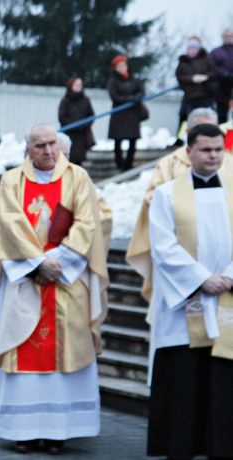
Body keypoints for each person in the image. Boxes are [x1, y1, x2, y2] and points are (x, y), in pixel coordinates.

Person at [0, 123, 108, 455]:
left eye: (51, 145)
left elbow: (88, 223)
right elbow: (6, 223)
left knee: (67, 354)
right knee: (22, 349)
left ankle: (59, 431)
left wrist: (58, 261)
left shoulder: (78, 177)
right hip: (25, 281)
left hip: (66, 280)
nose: (47, 151)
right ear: (28, 149)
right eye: (39, 145)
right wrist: (35, 264)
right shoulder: (12, 180)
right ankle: (24, 430)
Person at [147, 123, 233, 458]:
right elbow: (163, 247)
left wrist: (227, 276)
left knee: (223, 380)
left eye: (218, 149)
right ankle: (179, 446)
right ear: (189, 152)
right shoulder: (167, 194)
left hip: (228, 299)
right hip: (185, 305)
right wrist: (201, 279)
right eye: (206, 149)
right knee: (185, 380)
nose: (213, 156)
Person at [126, 108, 224, 303]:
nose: (212, 153)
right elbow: (153, 198)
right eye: (200, 128)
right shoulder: (169, 164)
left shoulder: (226, 162)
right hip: (182, 249)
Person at [57, 132, 112, 252]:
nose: (63, 161)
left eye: (66, 156)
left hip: (73, 246)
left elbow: (102, 213)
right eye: (59, 156)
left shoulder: (78, 176)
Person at [107, 55, 145, 171]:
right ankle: (120, 164)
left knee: (133, 141)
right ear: (115, 68)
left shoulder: (134, 79)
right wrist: (129, 99)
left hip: (133, 115)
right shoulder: (112, 81)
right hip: (119, 115)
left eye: (123, 65)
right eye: (119, 66)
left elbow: (141, 91)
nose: (122, 68)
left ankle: (129, 164)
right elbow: (114, 96)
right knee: (118, 141)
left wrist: (137, 97)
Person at [176, 35, 218, 115]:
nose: (192, 50)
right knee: (187, 117)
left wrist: (205, 77)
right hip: (189, 96)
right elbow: (179, 76)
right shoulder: (183, 61)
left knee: (205, 116)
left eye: (195, 48)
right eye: (190, 48)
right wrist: (192, 78)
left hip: (205, 95)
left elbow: (215, 72)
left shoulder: (207, 59)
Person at [58, 77, 95, 166]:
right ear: (71, 86)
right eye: (76, 84)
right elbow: (62, 116)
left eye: (80, 84)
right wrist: (74, 124)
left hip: (82, 135)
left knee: (79, 159)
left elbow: (91, 115)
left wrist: (84, 124)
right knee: (69, 157)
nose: (79, 86)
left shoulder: (86, 100)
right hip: (69, 134)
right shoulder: (65, 100)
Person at [210, 29, 233, 124]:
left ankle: (230, 139)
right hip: (222, 90)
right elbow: (211, 66)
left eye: (231, 35)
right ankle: (224, 138)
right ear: (223, 37)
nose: (229, 38)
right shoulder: (216, 52)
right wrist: (224, 73)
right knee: (222, 117)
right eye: (227, 36)